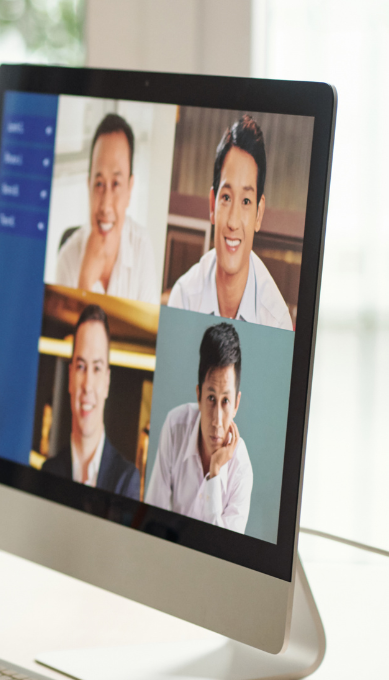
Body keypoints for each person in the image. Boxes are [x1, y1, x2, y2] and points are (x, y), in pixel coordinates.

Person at [166, 114, 294, 330]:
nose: (233, 222)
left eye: (246, 201)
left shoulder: (276, 322)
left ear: (259, 214)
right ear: (212, 205)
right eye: (226, 198)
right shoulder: (184, 299)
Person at [144, 322, 253, 532]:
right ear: (199, 396)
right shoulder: (175, 426)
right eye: (211, 398)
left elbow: (222, 547)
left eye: (225, 401)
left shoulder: (241, 470)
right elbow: (154, 514)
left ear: (236, 404)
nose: (216, 420)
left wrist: (215, 472)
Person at [55, 112, 160, 304]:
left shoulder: (142, 247)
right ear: (88, 186)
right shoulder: (67, 259)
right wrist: (84, 283)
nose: (105, 205)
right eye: (99, 184)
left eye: (116, 184)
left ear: (129, 189)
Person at [41, 304, 140, 499]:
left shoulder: (126, 480)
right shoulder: (47, 473)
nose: (87, 385)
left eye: (96, 368)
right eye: (81, 366)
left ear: (107, 382)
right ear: (70, 377)